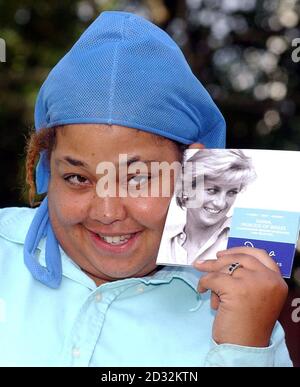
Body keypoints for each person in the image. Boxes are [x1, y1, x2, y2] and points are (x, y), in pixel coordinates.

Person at [0, 11, 291, 366]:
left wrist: (243, 350)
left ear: (195, 172)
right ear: (46, 166)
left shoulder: (244, 312)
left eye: (138, 178)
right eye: (78, 178)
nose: (107, 213)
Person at [160, 149, 256, 265]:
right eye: (212, 190)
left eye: (232, 192)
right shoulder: (162, 237)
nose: (220, 203)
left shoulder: (246, 238)